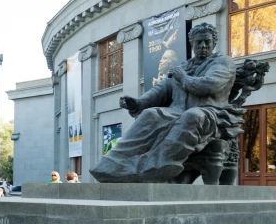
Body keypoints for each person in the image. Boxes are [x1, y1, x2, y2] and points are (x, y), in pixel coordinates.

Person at [90, 23, 242, 184]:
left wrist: (183, 78)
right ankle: (114, 163)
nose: (203, 46)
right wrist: (137, 103)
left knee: (193, 116)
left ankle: (159, 165)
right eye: (199, 42)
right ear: (192, 43)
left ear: (213, 43)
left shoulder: (223, 62)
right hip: (177, 111)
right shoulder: (183, 67)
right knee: (151, 114)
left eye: (207, 42)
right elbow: (160, 91)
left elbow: (209, 85)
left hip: (211, 112)